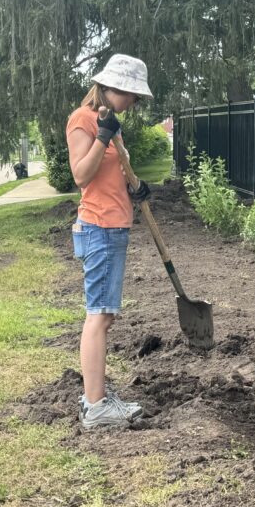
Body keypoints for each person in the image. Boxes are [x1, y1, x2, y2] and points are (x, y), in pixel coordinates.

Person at [66, 54, 154, 428]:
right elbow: (82, 175)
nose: (134, 102)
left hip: (115, 225)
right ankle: (96, 405)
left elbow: (117, 171)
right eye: (131, 94)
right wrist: (102, 136)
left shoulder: (112, 124)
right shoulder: (83, 120)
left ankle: (98, 396)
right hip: (98, 227)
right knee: (98, 316)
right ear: (113, 86)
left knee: (106, 315)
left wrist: (135, 187)